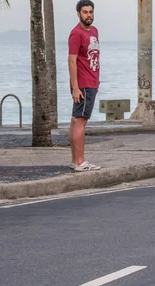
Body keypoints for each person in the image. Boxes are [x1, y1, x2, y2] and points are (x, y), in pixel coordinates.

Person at [68, 0, 101, 172]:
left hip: (91, 82)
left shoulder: (94, 31)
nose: (89, 15)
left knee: (76, 120)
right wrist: (75, 87)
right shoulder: (76, 34)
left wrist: (97, 80)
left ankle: (76, 161)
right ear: (78, 14)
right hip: (82, 84)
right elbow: (72, 61)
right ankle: (80, 161)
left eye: (91, 12)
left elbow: (93, 59)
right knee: (80, 121)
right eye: (85, 12)